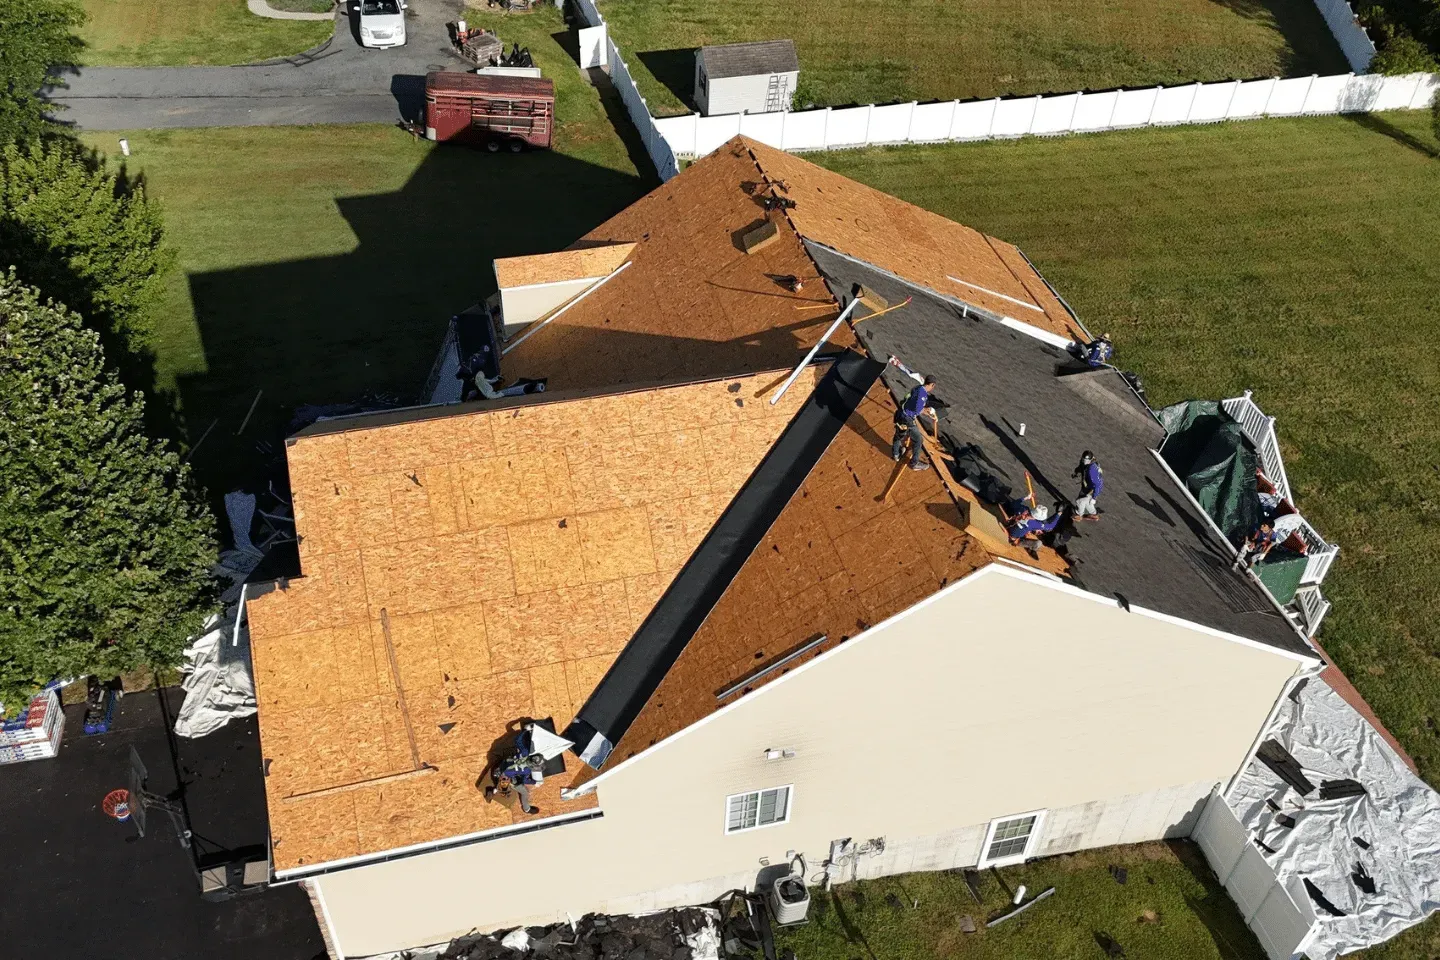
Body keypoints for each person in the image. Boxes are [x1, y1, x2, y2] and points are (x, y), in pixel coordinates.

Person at [888, 356, 939, 471]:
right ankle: (914, 463)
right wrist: (929, 411)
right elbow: (918, 410)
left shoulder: (919, 387)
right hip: (908, 419)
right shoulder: (922, 396)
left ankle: (896, 454)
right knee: (918, 440)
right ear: (932, 385)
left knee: (898, 435)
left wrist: (896, 363)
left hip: (900, 413)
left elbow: (911, 373)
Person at [456, 348, 546, 402]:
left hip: (488, 391)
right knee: (491, 393)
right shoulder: (467, 384)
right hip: (485, 395)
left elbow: (483, 382)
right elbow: (465, 398)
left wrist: (494, 380)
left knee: (493, 394)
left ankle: (521, 388)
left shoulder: (477, 373)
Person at [1073, 451, 1104, 520]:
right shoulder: (1085, 463)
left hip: (1092, 489)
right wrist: (1077, 472)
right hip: (1087, 485)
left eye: (1086, 460)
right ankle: (1093, 513)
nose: (1085, 461)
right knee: (1086, 500)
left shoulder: (1092, 470)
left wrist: (1094, 497)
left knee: (1080, 500)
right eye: (1084, 459)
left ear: (1090, 459)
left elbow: (1098, 484)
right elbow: (1081, 467)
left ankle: (1079, 514)